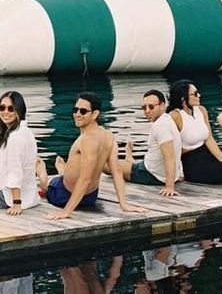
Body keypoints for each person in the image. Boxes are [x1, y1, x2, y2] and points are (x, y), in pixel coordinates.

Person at [38, 92, 147, 220]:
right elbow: (116, 172)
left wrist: (66, 212)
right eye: (75, 110)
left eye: (83, 111)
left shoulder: (87, 140)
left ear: (95, 114)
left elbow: (85, 179)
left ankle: (45, 175)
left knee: (48, 183)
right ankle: (63, 170)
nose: (77, 114)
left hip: (63, 195)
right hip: (90, 197)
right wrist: (124, 204)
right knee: (65, 174)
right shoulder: (108, 136)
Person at [167, 80, 222, 184]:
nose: (199, 95)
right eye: (195, 94)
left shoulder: (201, 110)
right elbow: (170, 148)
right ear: (183, 98)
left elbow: (209, 139)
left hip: (206, 155)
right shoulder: (174, 116)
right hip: (191, 164)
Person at [112, 89, 182, 197]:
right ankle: (129, 156)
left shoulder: (160, 126)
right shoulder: (167, 119)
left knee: (108, 165)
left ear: (162, 105)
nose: (147, 111)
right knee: (126, 164)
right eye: (144, 107)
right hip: (152, 167)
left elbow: (170, 156)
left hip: (150, 174)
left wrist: (169, 186)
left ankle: (128, 157)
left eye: (151, 107)